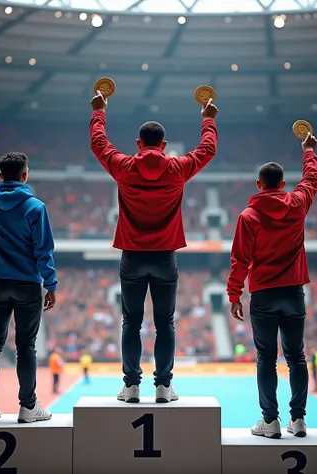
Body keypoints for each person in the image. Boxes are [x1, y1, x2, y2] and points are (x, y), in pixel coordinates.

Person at [89, 90, 218, 403]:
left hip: (132, 256)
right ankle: (163, 387)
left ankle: (131, 386)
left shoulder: (124, 167)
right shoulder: (177, 169)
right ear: (164, 145)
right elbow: (207, 150)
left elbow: (99, 144)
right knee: (165, 324)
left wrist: (99, 112)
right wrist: (208, 119)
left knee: (130, 323)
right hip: (164, 257)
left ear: (138, 144)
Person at [227, 132, 317, 439]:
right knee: (297, 357)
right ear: (282, 184)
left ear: (258, 184)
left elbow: (239, 259)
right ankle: (299, 420)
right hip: (293, 293)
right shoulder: (296, 205)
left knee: (266, 358)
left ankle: (271, 421)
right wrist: (308, 150)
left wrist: (234, 295)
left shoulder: (248, 216)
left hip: (264, 295)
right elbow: (311, 179)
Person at [0, 125, 57, 423]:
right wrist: (51, 284)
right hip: (28, 286)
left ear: (1, 175)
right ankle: (28, 406)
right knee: (26, 346)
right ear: (25, 175)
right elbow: (44, 250)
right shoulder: (36, 207)